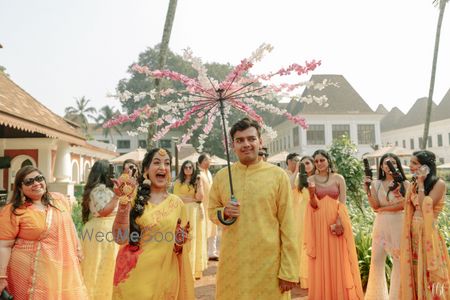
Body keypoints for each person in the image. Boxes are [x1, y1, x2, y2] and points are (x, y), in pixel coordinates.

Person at [208, 118, 299, 299]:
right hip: (233, 265)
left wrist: (288, 270)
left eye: (251, 139)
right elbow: (211, 210)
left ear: (260, 142)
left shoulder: (277, 176)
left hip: (268, 264)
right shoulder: (222, 176)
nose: (246, 144)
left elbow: (288, 225)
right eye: (240, 140)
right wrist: (224, 212)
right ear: (233, 145)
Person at [111, 148, 194, 300]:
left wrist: (179, 242)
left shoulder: (177, 204)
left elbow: (183, 248)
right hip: (134, 280)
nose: (163, 167)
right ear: (145, 170)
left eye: (167, 163)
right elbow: (120, 238)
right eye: (156, 163)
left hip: (165, 278)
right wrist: (123, 205)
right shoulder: (132, 197)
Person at [0, 166, 88, 299]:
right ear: (20, 188)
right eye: (29, 182)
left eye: (39, 178)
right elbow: (4, 246)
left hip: (61, 266)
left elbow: (69, 225)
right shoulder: (14, 210)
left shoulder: (59, 200)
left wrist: (77, 248)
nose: (36, 183)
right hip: (28, 271)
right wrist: (1, 276)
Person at [304, 149, 364, 299]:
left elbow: (342, 203)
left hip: (336, 221)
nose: (319, 163)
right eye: (316, 161)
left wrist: (338, 222)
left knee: (338, 258)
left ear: (328, 160)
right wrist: (311, 194)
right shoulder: (311, 179)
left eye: (322, 160)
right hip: (319, 223)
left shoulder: (339, 178)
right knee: (321, 258)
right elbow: (313, 205)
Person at [400, 150, 450, 299]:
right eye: (411, 163)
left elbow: (424, 206)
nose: (411, 166)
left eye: (415, 163)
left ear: (426, 166)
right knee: (415, 267)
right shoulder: (414, 184)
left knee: (429, 268)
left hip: (428, 233)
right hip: (413, 231)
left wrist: (421, 184)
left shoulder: (439, 184)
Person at [364, 153, 409, 300]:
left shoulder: (405, 184)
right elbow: (375, 206)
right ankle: (376, 297)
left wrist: (384, 210)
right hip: (381, 225)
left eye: (394, 163)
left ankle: (397, 296)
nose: (390, 166)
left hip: (398, 223)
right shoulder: (376, 184)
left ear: (398, 165)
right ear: (381, 166)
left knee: (398, 260)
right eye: (386, 163)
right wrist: (368, 189)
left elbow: (404, 205)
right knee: (376, 260)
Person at [80, 159, 120, 300]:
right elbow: (103, 211)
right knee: (101, 265)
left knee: (105, 265)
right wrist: (117, 196)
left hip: (103, 229)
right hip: (102, 230)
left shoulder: (102, 189)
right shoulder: (99, 190)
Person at [173, 160, 207, 279]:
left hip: (195, 213)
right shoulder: (178, 182)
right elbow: (177, 197)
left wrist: (199, 184)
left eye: (190, 167)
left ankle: (195, 270)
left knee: (195, 238)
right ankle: (185, 269)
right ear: (182, 169)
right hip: (183, 213)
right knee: (184, 238)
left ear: (193, 169)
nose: (188, 169)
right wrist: (192, 199)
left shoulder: (197, 181)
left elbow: (200, 197)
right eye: (185, 167)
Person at [292, 155, 315, 289]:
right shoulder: (299, 180)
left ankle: (313, 275)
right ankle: (302, 276)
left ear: (313, 164)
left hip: (315, 212)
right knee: (301, 244)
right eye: (302, 164)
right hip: (301, 215)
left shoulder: (318, 178)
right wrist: (296, 171)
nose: (305, 166)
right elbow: (289, 186)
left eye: (307, 163)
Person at [197, 153, 219, 261]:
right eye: (208, 160)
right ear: (203, 161)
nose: (210, 162)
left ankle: (212, 252)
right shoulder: (198, 174)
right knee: (202, 230)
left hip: (211, 205)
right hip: (201, 206)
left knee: (213, 230)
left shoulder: (209, 173)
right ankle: (201, 254)